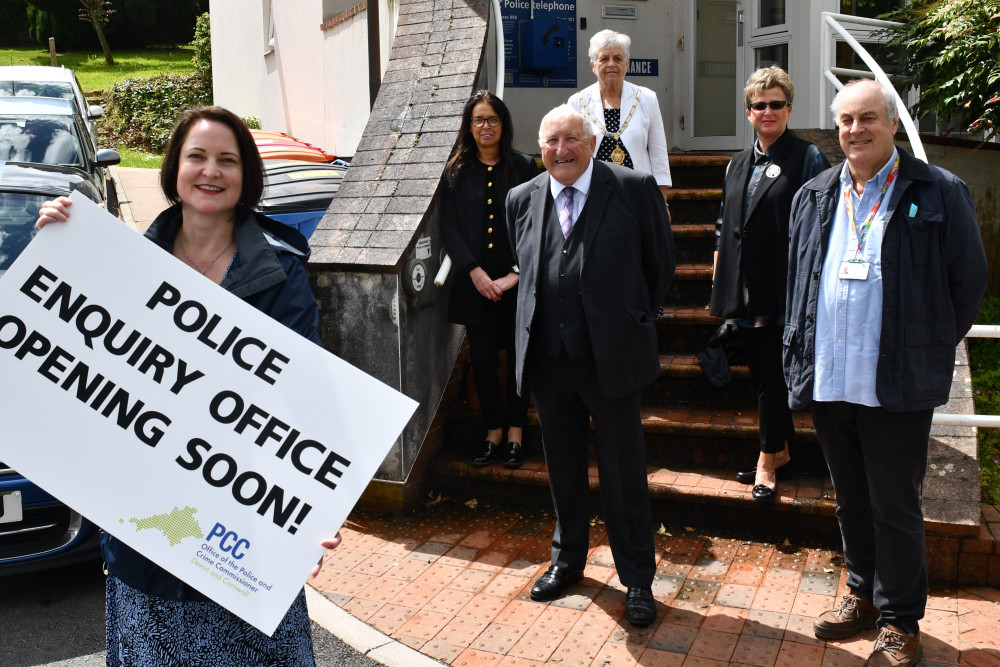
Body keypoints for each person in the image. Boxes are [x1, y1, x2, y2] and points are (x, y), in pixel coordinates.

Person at [36, 106, 343, 666]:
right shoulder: (119, 260)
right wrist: (59, 242)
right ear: (174, 168)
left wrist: (312, 515)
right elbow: (69, 354)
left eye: (227, 160)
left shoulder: (281, 271)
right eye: (196, 156)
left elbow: (307, 411)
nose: (211, 171)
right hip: (142, 543)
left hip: (242, 543)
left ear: (246, 175)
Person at [784, 79, 987, 666]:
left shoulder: (939, 191)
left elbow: (968, 282)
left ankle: (900, 619)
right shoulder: (816, 193)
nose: (854, 131)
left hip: (894, 382)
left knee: (894, 502)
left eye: (867, 118)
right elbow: (800, 280)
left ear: (892, 123)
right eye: (845, 121)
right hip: (831, 378)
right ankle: (862, 594)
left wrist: (924, 344)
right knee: (849, 498)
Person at [506, 104, 674, 626]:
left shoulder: (632, 188)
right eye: (552, 141)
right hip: (548, 363)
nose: (561, 150)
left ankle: (638, 580)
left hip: (611, 360)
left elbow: (660, 265)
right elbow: (528, 269)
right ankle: (568, 561)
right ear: (541, 147)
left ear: (592, 139)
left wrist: (630, 319)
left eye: (572, 139)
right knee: (562, 469)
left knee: (624, 474)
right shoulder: (522, 198)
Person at [709, 66, 830, 501]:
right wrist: (720, 281)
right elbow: (726, 225)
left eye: (776, 104)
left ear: (789, 109)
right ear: (748, 112)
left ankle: (766, 462)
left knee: (773, 378)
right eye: (759, 105)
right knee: (761, 372)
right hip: (744, 289)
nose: (767, 111)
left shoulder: (808, 157)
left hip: (785, 289)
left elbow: (821, 223)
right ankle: (777, 452)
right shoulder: (737, 163)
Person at [440, 90, 539, 468]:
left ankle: (515, 432)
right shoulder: (456, 170)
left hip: (517, 285)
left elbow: (535, 226)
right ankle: (492, 431)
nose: (486, 126)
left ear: (504, 124)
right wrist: (475, 272)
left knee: (519, 361)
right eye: (478, 120)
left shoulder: (525, 167)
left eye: (492, 119)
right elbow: (449, 227)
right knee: (482, 361)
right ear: (469, 126)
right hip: (474, 285)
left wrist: (515, 275)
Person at [568, 29, 672, 208]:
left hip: (637, 195)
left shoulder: (647, 98)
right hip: (593, 195)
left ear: (627, 64)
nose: (611, 64)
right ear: (593, 65)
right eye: (604, 59)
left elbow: (659, 155)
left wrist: (662, 203)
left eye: (617, 58)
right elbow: (572, 153)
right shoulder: (577, 102)